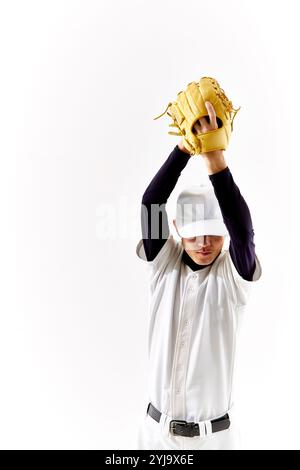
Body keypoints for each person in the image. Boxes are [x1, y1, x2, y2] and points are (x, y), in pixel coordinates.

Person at [135, 101, 262, 450]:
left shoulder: (233, 277)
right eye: (193, 233)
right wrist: (184, 148)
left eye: (212, 232)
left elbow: (242, 231)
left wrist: (215, 160)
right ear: (177, 228)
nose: (204, 243)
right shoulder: (164, 265)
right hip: (154, 435)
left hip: (215, 439)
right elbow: (151, 203)